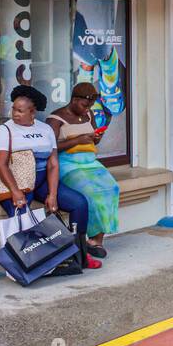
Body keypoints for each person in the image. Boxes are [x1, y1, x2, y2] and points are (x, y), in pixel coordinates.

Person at [0, 85, 99, 270]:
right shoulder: (5, 130)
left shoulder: (45, 129)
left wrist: (52, 194)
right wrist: (16, 192)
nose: (14, 113)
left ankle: (79, 254)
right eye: (13, 109)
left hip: (41, 181)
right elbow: (0, 164)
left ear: (33, 112)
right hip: (18, 184)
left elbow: (53, 163)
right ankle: (33, 263)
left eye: (20, 110)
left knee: (79, 203)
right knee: (23, 215)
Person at [47, 81, 121, 259]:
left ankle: (96, 240)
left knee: (112, 188)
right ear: (74, 99)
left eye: (89, 105)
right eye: (83, 104)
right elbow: (50, 147)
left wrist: (96, 137)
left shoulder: (88, 114)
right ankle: (89, 237)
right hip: (68, 164)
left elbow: (93, 141)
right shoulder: (55, 119)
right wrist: (77, 140)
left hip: (90, 161)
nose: (86, 108)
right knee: (91, 192)